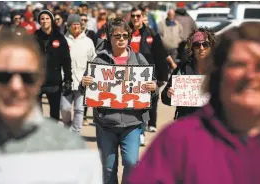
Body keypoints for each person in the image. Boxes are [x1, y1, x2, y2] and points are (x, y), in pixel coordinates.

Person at [126, 22, 260, 184]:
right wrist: (170, 94)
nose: (250, 75)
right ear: (220, 74)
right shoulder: (176, 141)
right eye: (239, 65)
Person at [0, 29, 86, 157]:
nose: (16, 86)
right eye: (3, 76)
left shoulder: (70, 148)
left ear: (39, 81)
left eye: (27, 77)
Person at [80, 17, 157, 184]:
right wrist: (83, 83)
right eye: (117, 36)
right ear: (110, 37)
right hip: (105, 124)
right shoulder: (98, 61)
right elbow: (87, 91)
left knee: (131, 163)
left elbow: (151, 92)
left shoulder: (139, 59)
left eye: (124, 35)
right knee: (108, 168)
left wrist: (153, 88)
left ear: (129, 37)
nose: (121, 39)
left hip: (132, 123)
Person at [129, 6, 175, 146]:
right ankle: (131, 132)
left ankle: (141, 133)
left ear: (142, 16)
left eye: (138, 16)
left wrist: (162, 77)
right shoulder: (126, 32)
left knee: (143, 106)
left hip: (146, 76)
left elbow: (160, 55)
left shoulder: (151, 34)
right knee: (131, 106)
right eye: (133, 16)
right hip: (128, 76)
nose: (135, 18)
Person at [162, 27, 217, 119]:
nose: (201, 48)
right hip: (186, 121)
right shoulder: (182, 68)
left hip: (211, 122)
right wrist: (169, 95)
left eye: (205, 44)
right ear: (192, 48)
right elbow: (165, 97)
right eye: (197, 45)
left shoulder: (219, 68)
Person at [34, 10, 72, 121]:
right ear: (39, 21)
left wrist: (68, 79)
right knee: (36, 114)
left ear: (51, 20)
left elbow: (66, 60)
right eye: (42, 19)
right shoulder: (34, 37)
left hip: (54, 82)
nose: (44, 21)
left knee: (54, 115)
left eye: (47, 18)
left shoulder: (59, 37)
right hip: (37, 81)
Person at [61, 14, 96, 132]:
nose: (76, 26)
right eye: (73, 24)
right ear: (68, 26)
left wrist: (89, 77)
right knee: (65, 108)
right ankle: (67, 126)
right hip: (66, 81)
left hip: (82, 81)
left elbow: (93, 61)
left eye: (78, 24)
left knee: (79, 109)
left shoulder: (88, 42)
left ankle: (75, 132)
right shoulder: (63, 40)